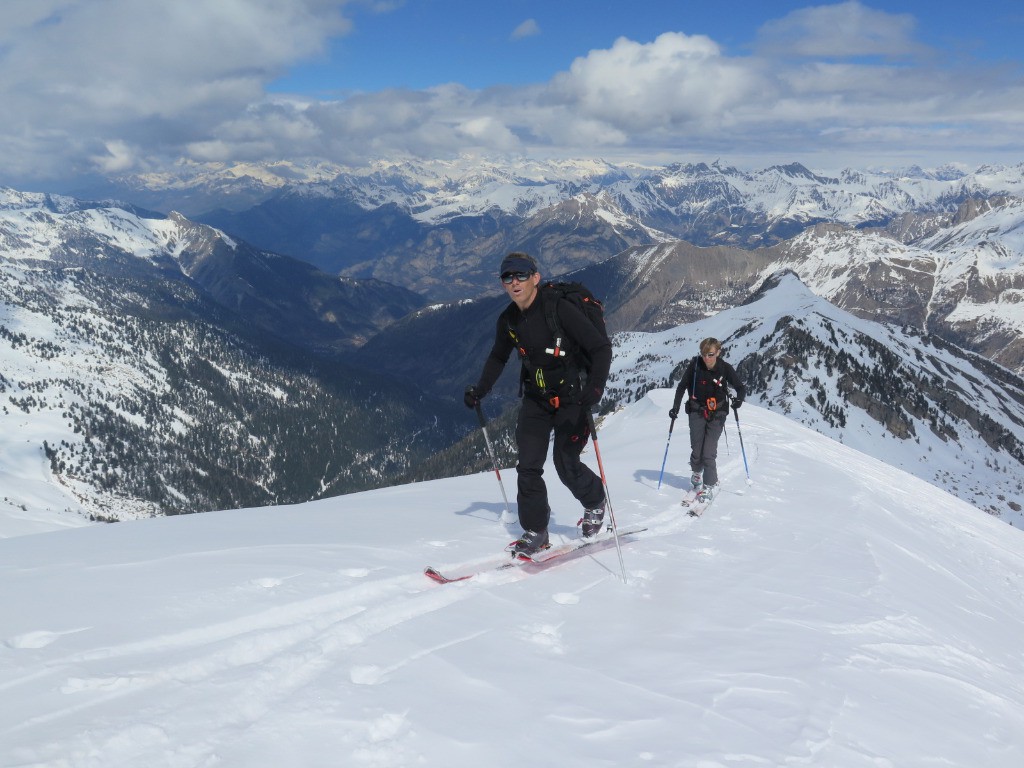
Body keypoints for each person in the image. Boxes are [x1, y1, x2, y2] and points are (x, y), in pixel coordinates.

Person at [464, 252, 612, 556]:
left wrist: (595, 387)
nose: (514, 282)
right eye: (507, 277)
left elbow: (599, 347)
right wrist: (481, 389)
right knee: (528, 466)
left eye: (520, 275)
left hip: (573, 396)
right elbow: (498, 357)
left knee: (566, 463)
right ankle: (536, 530)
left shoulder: (558, 309)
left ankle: (595, 501)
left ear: (535, 277)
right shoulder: (508, 319)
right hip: (536, 398)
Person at [669, 338, 746, 504]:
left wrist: (739, 399)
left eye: (710, 354)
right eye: (703, 354)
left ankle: (710, 483)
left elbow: (740, 387)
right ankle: (697, 474)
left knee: (708, 451)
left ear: (718, 352)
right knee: (697, 449)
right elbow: (682, 386)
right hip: (696, 410)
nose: (706, 358)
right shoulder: (695, 366)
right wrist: (675, 407)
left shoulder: (724, 368)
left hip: (717, 413)